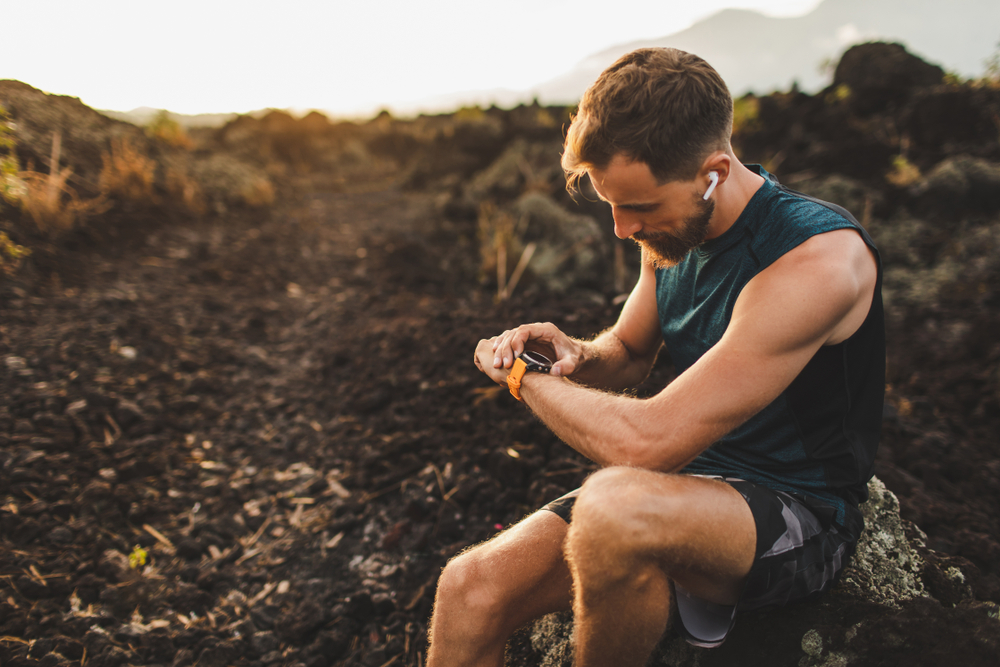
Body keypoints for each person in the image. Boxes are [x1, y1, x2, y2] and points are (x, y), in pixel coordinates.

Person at [427, 47, 884, 667]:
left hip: (798, 510)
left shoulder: (816, 261)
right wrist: (572, 355)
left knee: (616, 504)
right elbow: (629, 352)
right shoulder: (674, 231)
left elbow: (648, 445)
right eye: (611, 204)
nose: (621, 229)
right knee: (467, 588)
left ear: (713, 171)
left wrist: (522, 377)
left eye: (638, 207)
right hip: (685, 488)